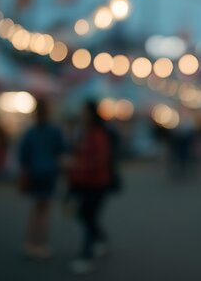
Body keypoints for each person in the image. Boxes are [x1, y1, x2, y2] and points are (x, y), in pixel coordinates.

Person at [67, 101, 113, 274]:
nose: (82, 115)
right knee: (86, 216)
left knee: (88, 216)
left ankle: (86, 255)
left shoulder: (98, 135)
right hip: (84, 182)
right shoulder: (83, 133)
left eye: (84, 112)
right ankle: (101, 240)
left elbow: (99, 161)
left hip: (97, 183)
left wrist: (76, 166)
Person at [18, 100, 65, 260]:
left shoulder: (30, 132)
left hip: (34, 173)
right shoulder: (54, 131)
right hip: (49, 174)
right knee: (44, 211)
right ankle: (41, 245)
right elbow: (61, 152)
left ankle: (29, 243)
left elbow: (23, 156)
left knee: (35, 209)